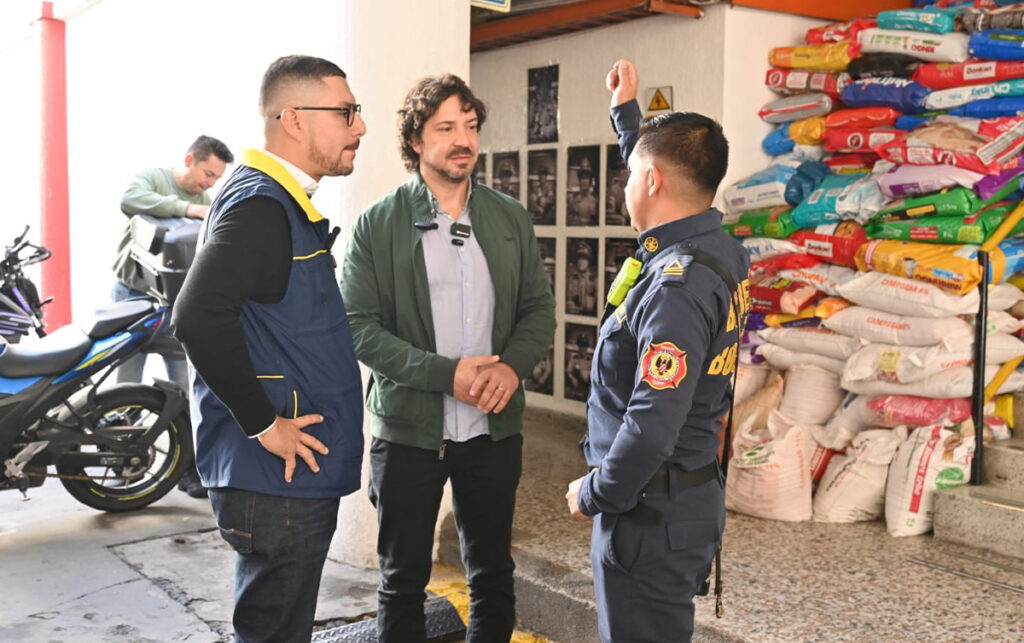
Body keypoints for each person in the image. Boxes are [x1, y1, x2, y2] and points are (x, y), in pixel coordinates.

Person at [341, 73, 556, 643]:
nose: (463, 140)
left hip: (493, 429)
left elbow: (539, 310)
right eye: (446, 128)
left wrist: (510, 367)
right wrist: (446, 375)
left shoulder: (510, 218)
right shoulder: (376, 224)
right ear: (416, 140)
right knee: (402, 581)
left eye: (471, 126)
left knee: (492, 576)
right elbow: (358, 328)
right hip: (409, 433)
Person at [172, 55, 366, 643]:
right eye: (347, 113)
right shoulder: (261, 205)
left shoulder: (270, 198)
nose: (360, 127)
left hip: (283, 479)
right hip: (276, 476)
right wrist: (265, 426)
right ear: (295, 119)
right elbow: (198, 316)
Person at [564, 59, 751, 642]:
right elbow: (658, 172)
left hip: (650, 513)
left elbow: (651, 423)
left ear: (651, 182)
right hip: (682, 500)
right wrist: (628, 116)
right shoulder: (716, 245)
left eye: (632, 174)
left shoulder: (679, 285)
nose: (626, 184)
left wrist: (594, 494)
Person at [114, 134, 233, 498]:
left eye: (215, 178)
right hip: (131, 297)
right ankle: (123, 466)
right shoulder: (152, 179)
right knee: (127, 386)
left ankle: (188, 470)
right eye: (207, 173)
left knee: (185, 389)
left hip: (174, 308)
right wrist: (185, 210)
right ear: (189, 160)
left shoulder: (206, 200)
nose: (209, 184)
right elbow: (130, 201)